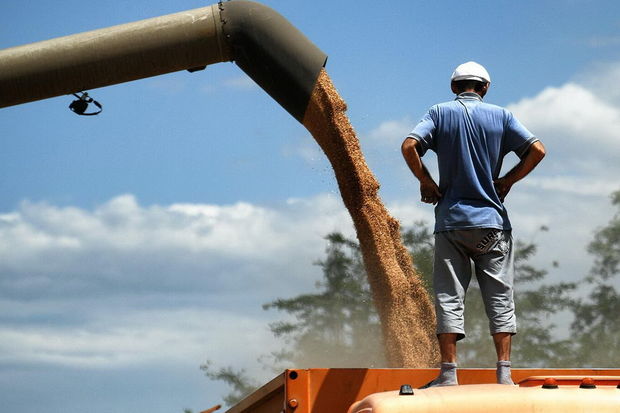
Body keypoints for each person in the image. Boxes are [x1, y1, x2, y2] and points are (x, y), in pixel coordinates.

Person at [401, 61, 545, 387]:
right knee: (500, 296)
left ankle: (448, 374)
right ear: (485, 88)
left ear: (454, 87)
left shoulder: (439, 113)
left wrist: (426, 181)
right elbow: (537, 150)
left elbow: (409, 146)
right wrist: (507, 180)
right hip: (492, 226)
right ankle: (504, 374)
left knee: (449, 297)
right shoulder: (502, 116)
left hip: (452, 224)